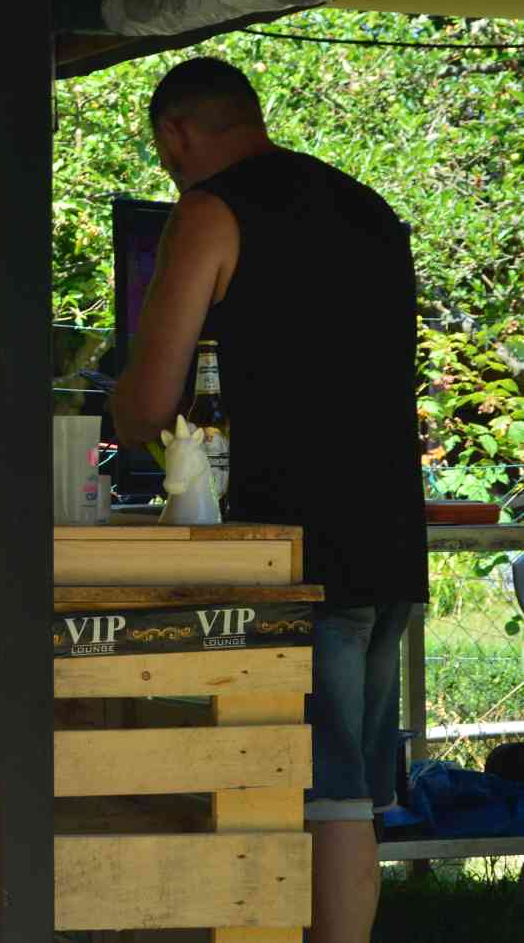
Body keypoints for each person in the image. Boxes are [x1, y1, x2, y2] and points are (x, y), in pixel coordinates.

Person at [110, 58, 428, 943]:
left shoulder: (209, 212)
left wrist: (114, 408)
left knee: (321, 793)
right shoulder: (369, 208)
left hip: (290, 547)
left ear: (175, 134)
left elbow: (147, 403)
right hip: (389, 533)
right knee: (352, 794)